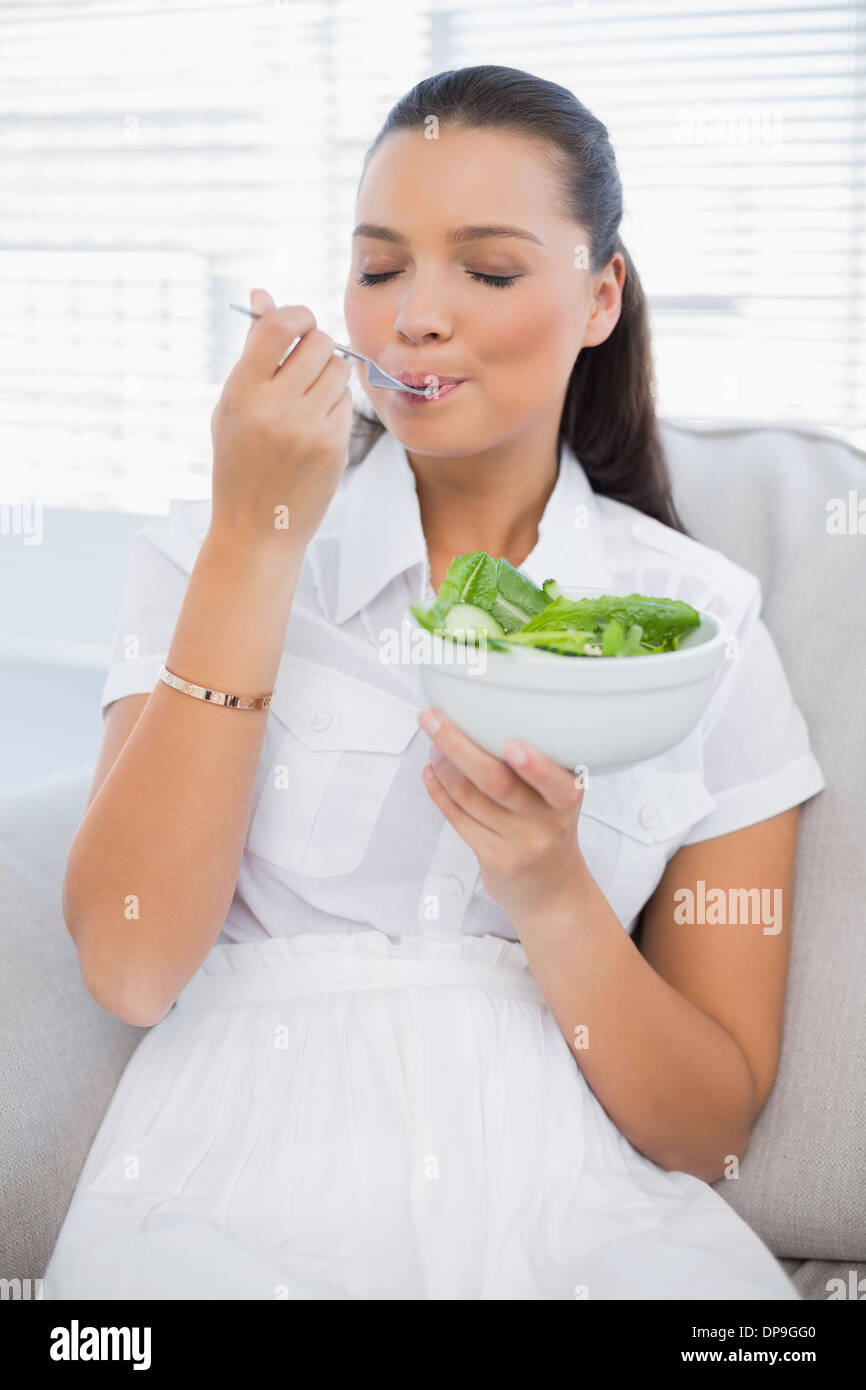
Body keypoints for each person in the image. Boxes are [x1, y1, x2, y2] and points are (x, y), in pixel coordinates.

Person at [43, 65, 824, 1301]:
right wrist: (254, 538)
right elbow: (131, 965)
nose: (414, 316)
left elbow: (703, 1131)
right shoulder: (217, 551)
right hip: (238, 1191)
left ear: (598, 296)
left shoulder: (702, 633)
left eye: (489, 271)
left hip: (578, 1220)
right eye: (379, 266)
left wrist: (552, 891)